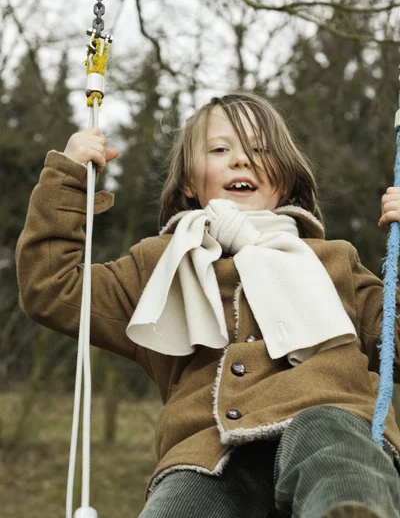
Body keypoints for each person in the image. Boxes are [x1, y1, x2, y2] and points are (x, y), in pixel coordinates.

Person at [16, 92, 400, 518]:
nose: (241, 160)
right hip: (207, 452)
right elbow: (51, 286)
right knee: (185, 495)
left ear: (286, 179)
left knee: (335, 447)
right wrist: (68, 179)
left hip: (332, 424)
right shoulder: (161, 266)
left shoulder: (334, 260)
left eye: (260, 150)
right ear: (188, 182)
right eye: (221, 149)